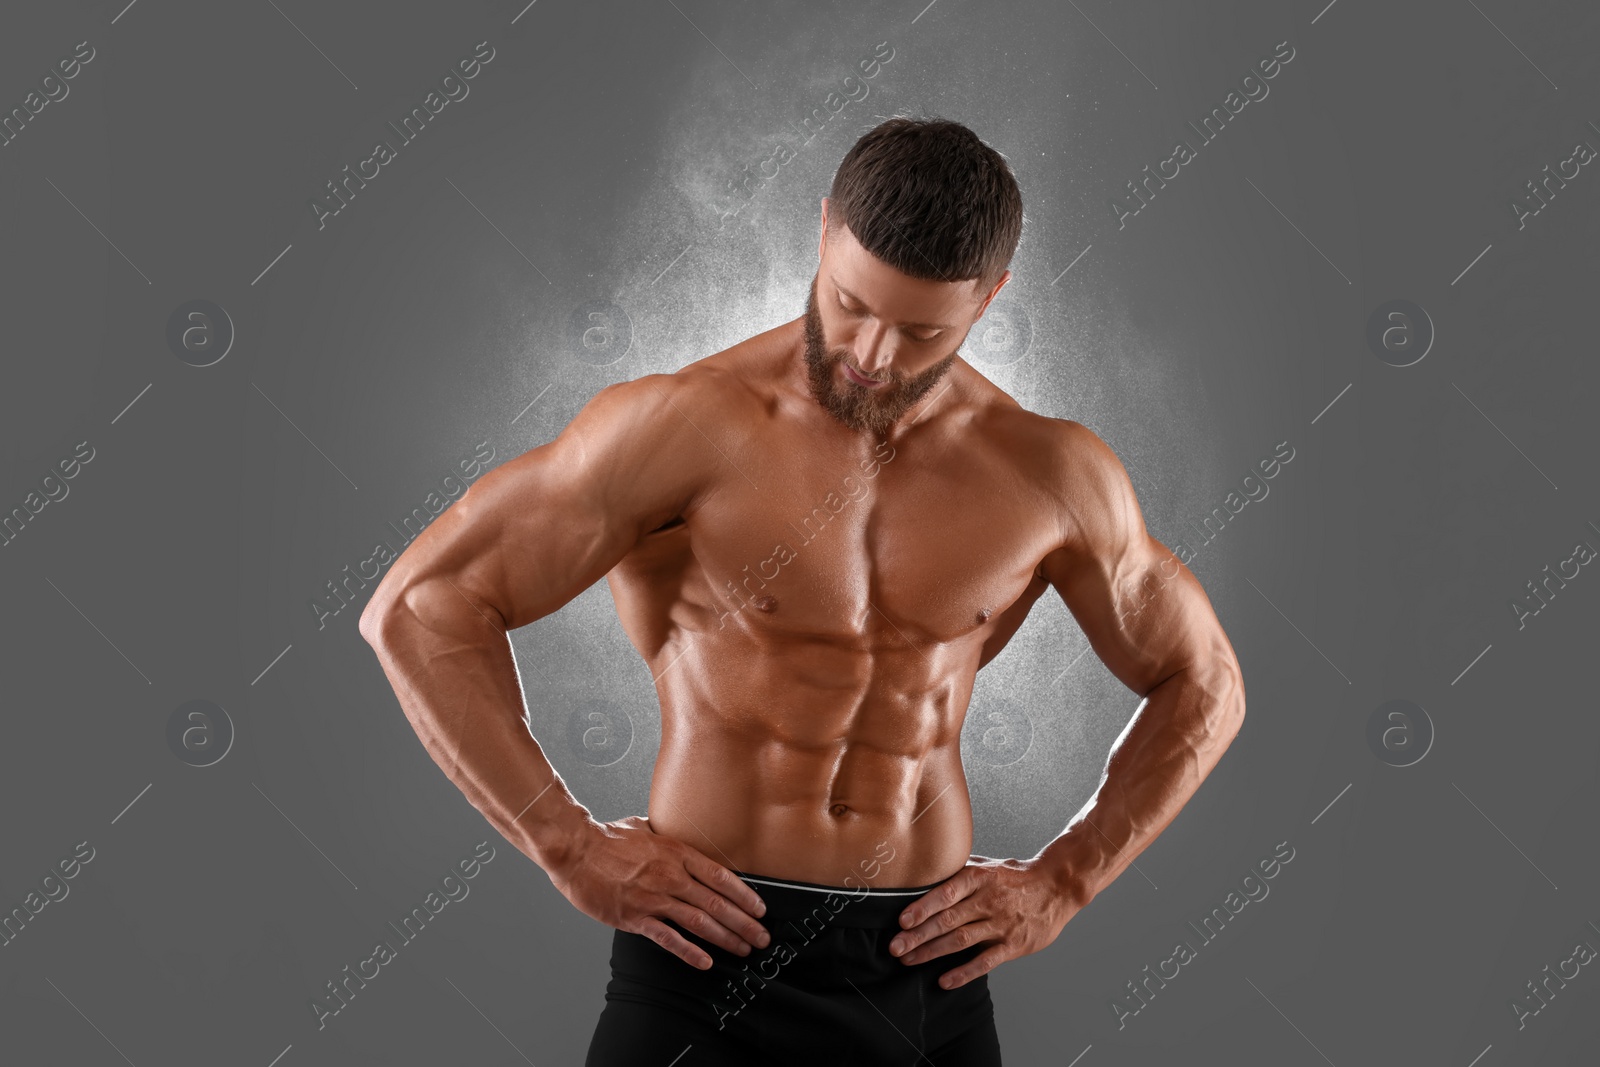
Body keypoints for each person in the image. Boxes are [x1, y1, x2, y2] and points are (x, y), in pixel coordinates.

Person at [359, 116, 1246, 1065]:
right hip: (707, 957)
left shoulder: (1051, 471)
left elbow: (1206, 682)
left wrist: (1065, 881)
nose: (873, 351)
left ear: (993, 297)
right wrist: (568, 845)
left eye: (922, 331)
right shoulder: (685, 425)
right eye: (851, 301)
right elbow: (421, 606)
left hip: (925, 974)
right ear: (823, 231)